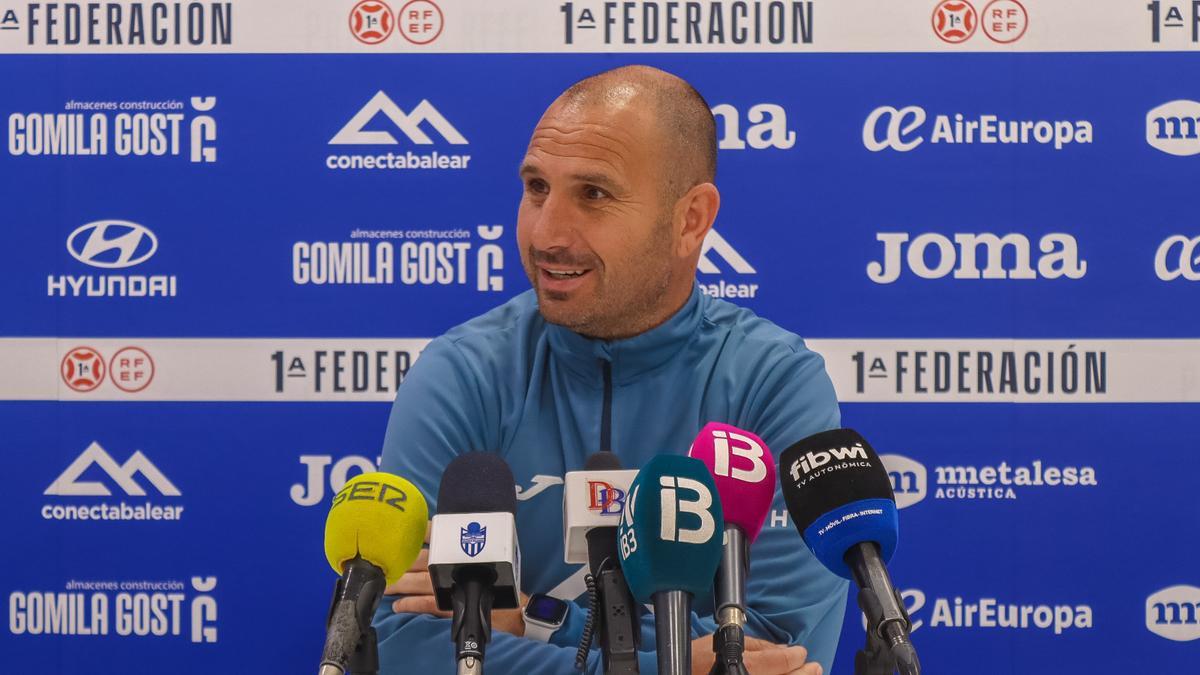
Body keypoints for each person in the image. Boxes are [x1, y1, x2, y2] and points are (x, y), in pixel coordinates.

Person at [375, 65, 846, 675]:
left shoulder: (773, 382)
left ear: (690, 220)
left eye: (594, 194)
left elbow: (782, 648)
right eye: (537, 187)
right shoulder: (464, 372)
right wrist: (670, 661)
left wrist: (537, 619)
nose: (546, 233)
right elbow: (402, 646)